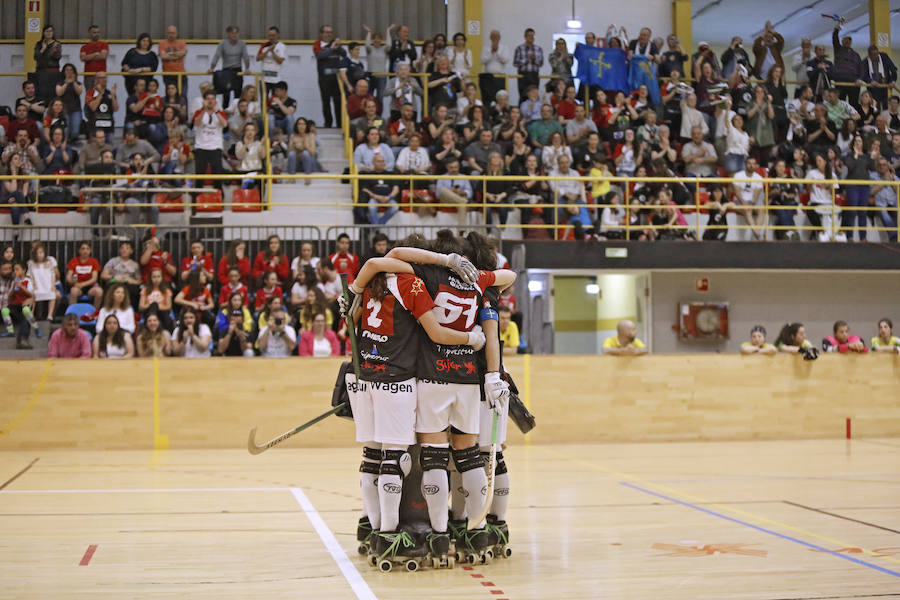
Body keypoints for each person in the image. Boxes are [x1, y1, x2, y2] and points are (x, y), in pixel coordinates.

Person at [841, 135, 876, 242]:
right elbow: (850, 167)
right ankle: (849, 236)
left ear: (862, 143)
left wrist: (873, 158)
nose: (857, 143)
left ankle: (863, 237)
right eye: (855, 141)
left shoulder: (866, 156)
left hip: (864, 186)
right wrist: (855, 155)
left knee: (863, 212)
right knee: (852, 211)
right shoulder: (849, 155)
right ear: (853, 144)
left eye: (859, 141)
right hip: (852, 186)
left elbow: (872, 168)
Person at [192, 90, 227, 191]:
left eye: (212, 99)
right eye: (208, 99)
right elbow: (197, 123)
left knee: (217, 176)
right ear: (204, 100)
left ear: (216, 101)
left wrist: (216, 111)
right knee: (199, 176)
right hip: (201, 147)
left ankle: (220, 201)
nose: (210, 101)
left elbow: (224, 124)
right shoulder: (198, 112)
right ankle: (196, 202)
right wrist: (204, 109)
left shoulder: (220, 113)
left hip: (215, 147)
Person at [209, 26, 250, 109]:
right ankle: (225, 112)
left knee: (238, 93)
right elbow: (217, 56)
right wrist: (212, 68)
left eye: (236, 33)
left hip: (238, 70)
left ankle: (237, 110)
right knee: (226, 94)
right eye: (232, 33)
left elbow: (246, 57)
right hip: (226, 71)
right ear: (228, 34)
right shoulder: (223, 44)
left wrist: (247, 68)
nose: (234, 35)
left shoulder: (242, 44)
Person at [314, 25, 347, 128]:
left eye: (330, 32)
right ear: (321, 34)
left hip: (336, 78)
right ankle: (328, 123)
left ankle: (340, 124)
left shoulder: (335, 44)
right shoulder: (318, 44)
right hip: (324, 79)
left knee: (338, 101)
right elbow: (319, 55)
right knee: (326, 101)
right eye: (326, 32)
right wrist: (331, 48)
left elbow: (344, 54)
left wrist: (339, 46)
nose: (329, 34)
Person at [3, 261, 41, 348]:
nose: (15, 272)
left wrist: (22, 287)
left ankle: (35, 327)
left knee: (26, 310)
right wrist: (13, 288)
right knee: (5, 310)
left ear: (24, 270)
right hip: (15, 304)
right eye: (14, 270)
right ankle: (10, 331)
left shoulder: (28, 281)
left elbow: (31, 295)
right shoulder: (13, 281)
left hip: (24, 303)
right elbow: (9, 296)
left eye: (17, 269)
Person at [26, 242, 59, 322]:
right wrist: (33, 284)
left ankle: (50, 315)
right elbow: (30, 275)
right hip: (38, 286)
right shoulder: (31, 263)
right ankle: (32, 315)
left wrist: (53, 285)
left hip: (47, 285)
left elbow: (53, 275)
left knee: (53, 294)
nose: (39, 255)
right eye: (37, 253)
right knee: (33, 295)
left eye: (41, 252)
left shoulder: (49, 262)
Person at [1, 152, 35, 228]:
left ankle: (16, 232)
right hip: (6, 200)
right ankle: (27, 216)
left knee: (15, 205)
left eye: (19, 159)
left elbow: (24, 194)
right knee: (18, 193)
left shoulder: (25, 175)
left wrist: (16, 198)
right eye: (15, 159)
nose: (18, 160)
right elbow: (12, 190)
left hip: (18, 201)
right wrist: (13, 173)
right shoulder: (5, 176)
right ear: (10, 162)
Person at [66, 241, 103, 309]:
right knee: (73, 291)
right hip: (77, 286)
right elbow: (68, 277)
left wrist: (82, 284)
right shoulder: (74, 261)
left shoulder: (94, 261)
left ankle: (94, 314)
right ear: (79, 250)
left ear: (90, 250)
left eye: (87, 249)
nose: (85, 251)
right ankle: (72, 314)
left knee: (99, 291)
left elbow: (94, 278)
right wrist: (72, 281)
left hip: (90, 286)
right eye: (83, 249)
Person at [870, 156, 898, 242]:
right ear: (877, 166)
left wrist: (892, 180)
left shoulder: (894, 177)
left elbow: (898, 192)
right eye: (880, 165)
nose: (882, 166)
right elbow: (871, 192)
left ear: (888, 166)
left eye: (884, 165)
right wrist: (884, 182)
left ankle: (895, 236)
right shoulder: (872, 176)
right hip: (879, 204)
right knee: (885, 216)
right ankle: (894, 237)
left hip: (893, 204)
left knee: (897, 215)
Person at [83, 72, 118, 142]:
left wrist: (113, 96)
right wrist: (100, 94)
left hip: (109, 127)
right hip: (95, 127)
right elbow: (93, 107)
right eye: (101, 78)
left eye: (105, 77)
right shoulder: (90, 93)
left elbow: (115, 109)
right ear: (96, 80)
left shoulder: (109, 93)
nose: (104, 80)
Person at [55, 63, 84, 142]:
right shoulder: (60, 83)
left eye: (71, 70)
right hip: (64, 110)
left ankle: (74, 142)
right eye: (67, 70)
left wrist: (73, 82)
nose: (69, 72)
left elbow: (79, 92)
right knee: (66, 131)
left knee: (75, 131)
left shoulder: (78, 83)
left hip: (76, 109)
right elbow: (59, 93)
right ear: (64, 72)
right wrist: (66, 83)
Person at [33, 24, 62, 102]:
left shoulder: (57, 44)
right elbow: (36, 57)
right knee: (41, 94)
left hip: (53, 73)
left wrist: (52, 49)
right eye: (47, 31)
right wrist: (43, 49)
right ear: (43, 33)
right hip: (41, 73)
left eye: (51, 31)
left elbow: (57, 57)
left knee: (53, 94)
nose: (49, 33)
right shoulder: (39, 44)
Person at [480, 30, 510, 106]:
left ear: (499, 38)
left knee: (500, 97)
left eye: (496, 36)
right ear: (490, 38)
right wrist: (491, 52)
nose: (495, 38)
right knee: (488, 97)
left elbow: (505, 60)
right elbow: (482, 60)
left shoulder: (504, 47)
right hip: (488, 77)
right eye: (493, 36)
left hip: (500, 76)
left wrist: (497, 52)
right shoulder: (486, 48)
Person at [513, 28, 544, 100]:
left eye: (533, 36)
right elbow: (515, 63)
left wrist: (533, 59)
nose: (531, 38)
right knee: (523, 96)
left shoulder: (538, 49)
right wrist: (526, 59)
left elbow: (541, 63)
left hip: (534, 75)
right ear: (525, 37)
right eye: (529, 36)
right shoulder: (519, 48)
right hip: (523, 75)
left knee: (534, 95)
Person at [80, 25, 108, 91]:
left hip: (101, 75)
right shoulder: (84, 47)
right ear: (89, 33)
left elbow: (103, 56)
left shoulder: (104, 45)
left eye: (98, 32)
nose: (97, 34)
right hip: (89, 75)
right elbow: (83, 58)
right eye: (94, 32)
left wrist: (89, 57)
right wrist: (95, 54)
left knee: (101, 94)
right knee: (89, 95)